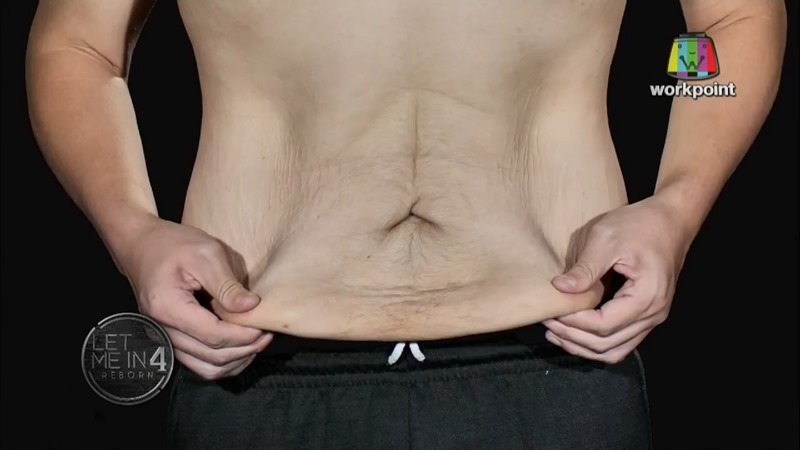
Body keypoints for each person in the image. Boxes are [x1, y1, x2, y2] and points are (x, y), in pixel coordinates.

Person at [26, 0, 786, 448]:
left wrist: (676, 206)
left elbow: (728, 19)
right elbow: (79, 43)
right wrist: (133, 233)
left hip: (559, 362)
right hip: (254, 369)